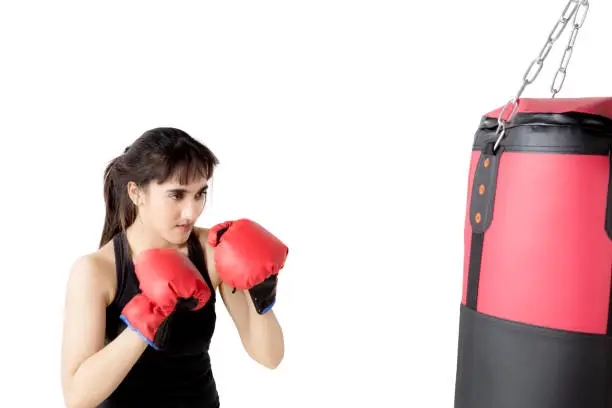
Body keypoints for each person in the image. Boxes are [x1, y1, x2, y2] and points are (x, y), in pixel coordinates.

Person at [60, 127, 288, 408]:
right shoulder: (96, 270)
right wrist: (147, 316)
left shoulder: (212, 250)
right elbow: (77, 397)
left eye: (200, 194)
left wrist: (261, 296)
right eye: (176, 195)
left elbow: (270, 357)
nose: (191, 212)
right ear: (136, 192)